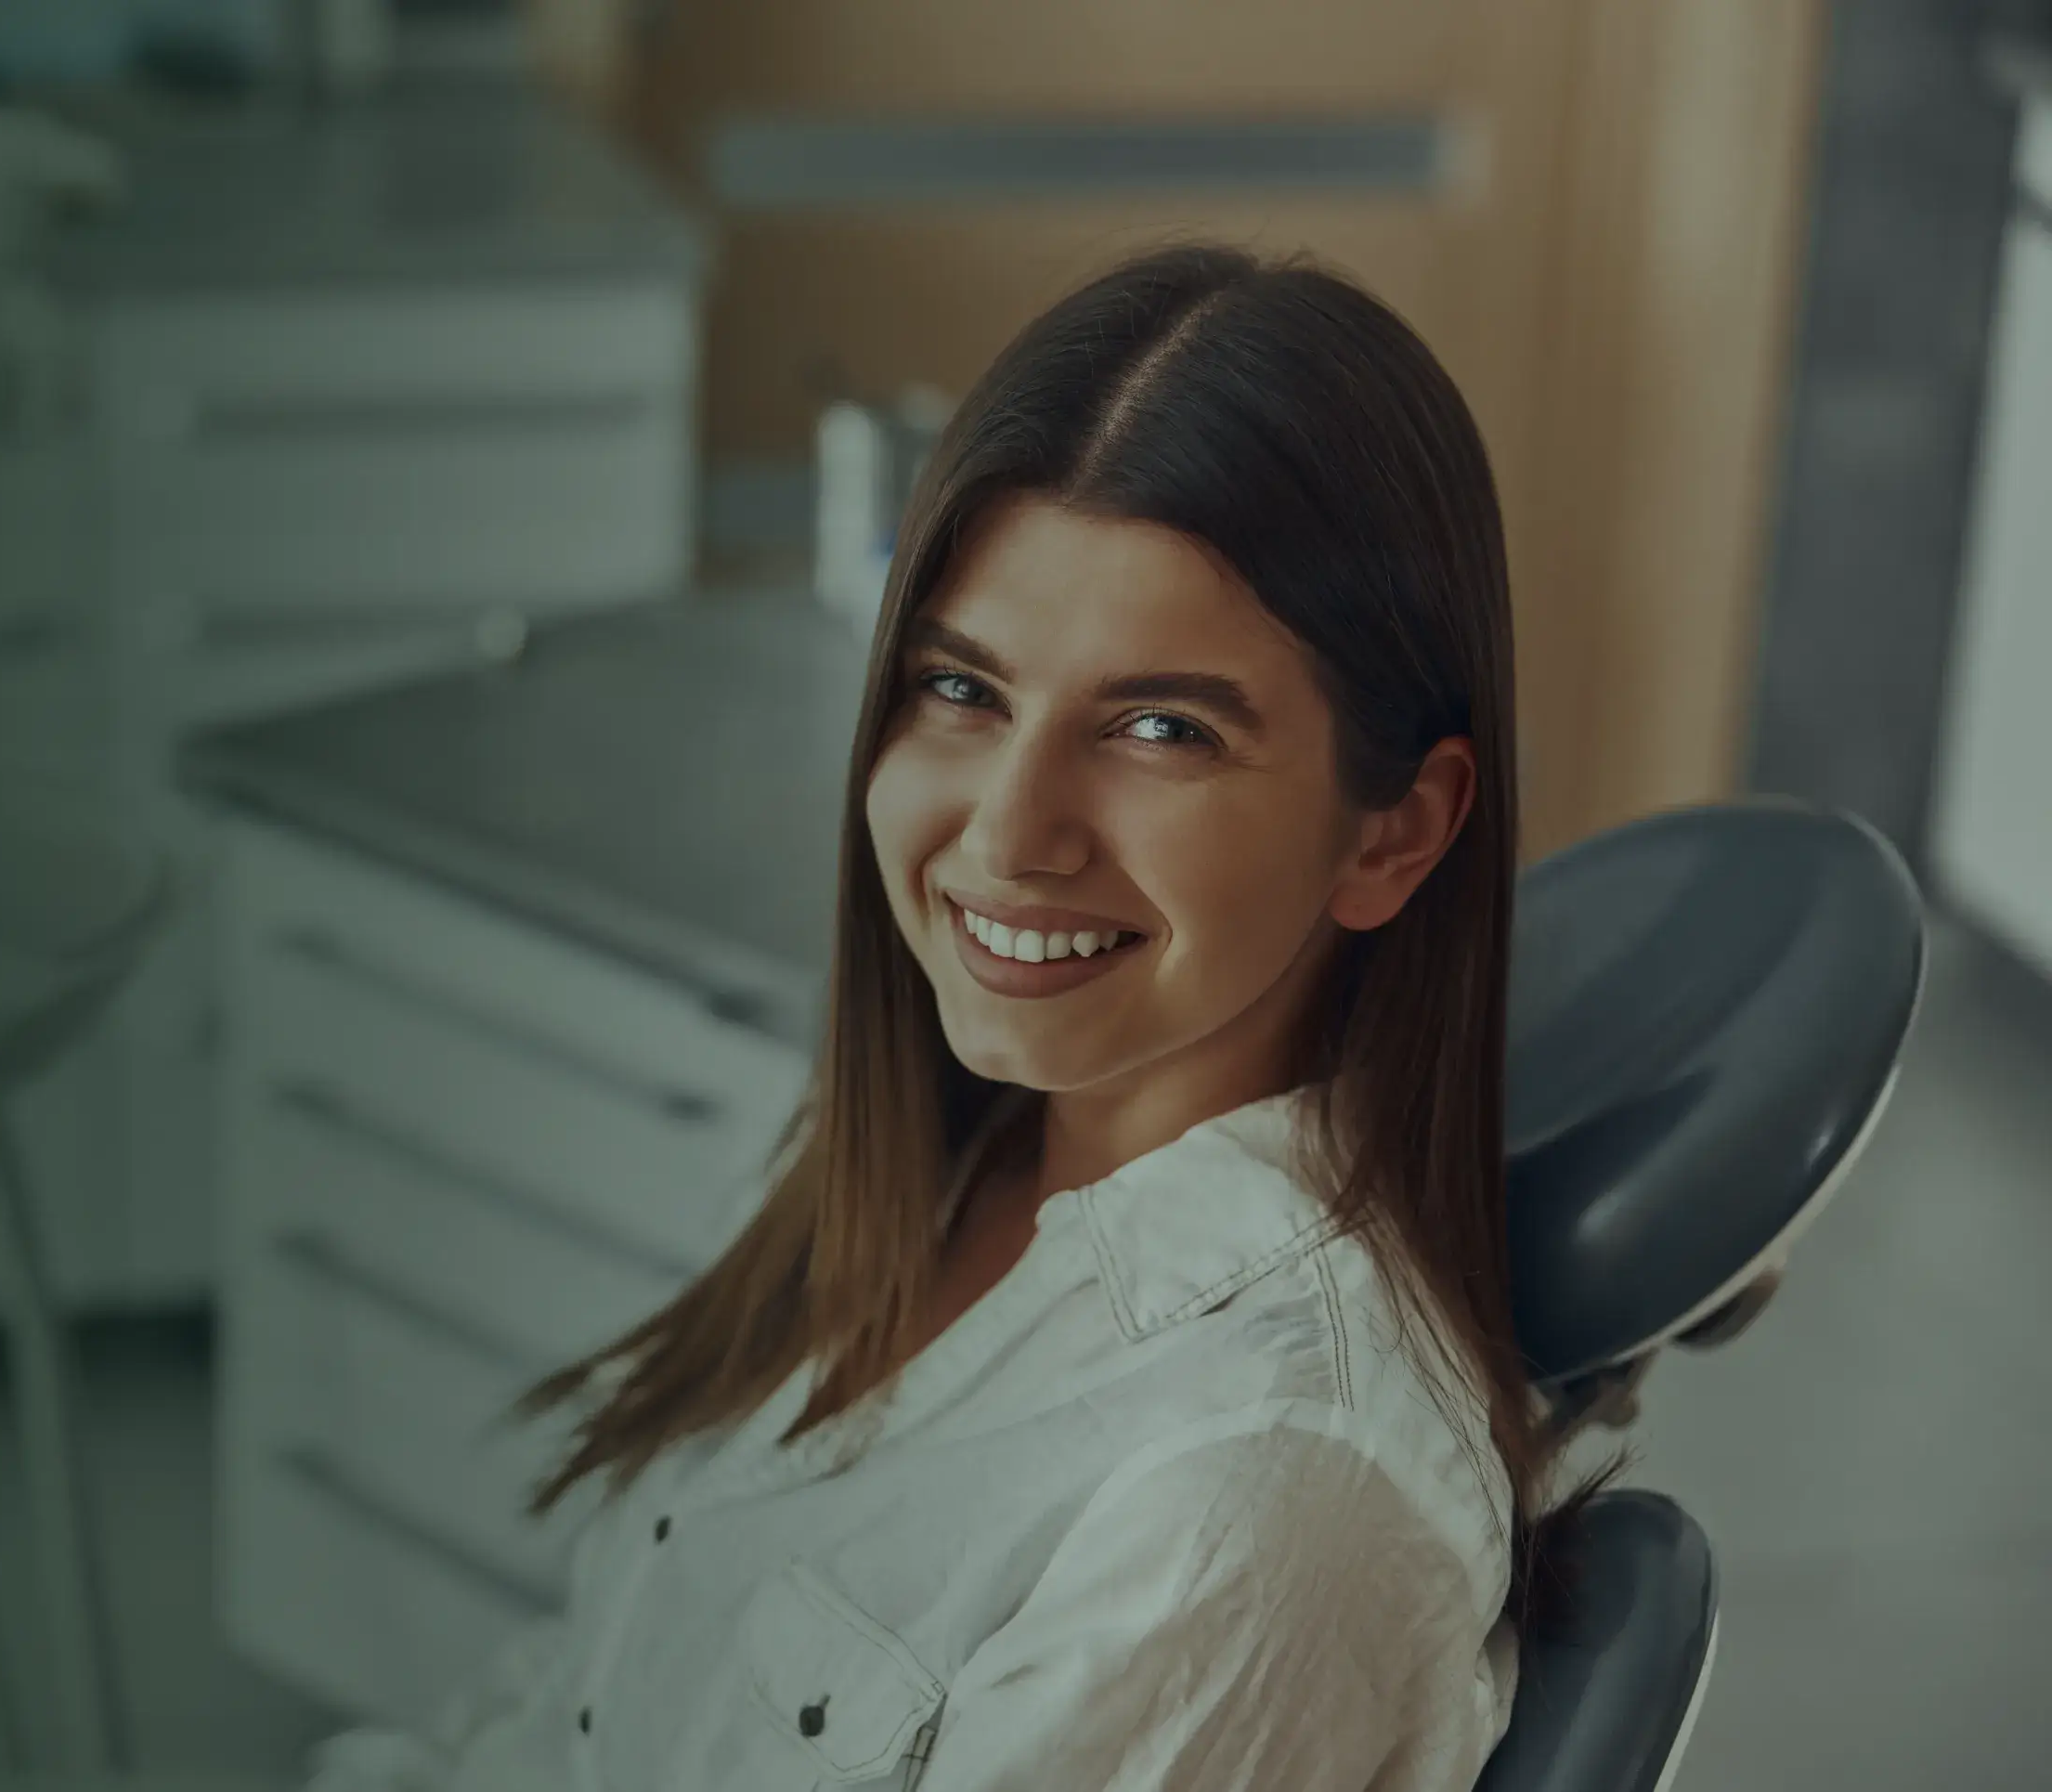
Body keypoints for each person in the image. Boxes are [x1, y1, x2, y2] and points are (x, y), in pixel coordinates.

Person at [305, 244, 1617, 1792]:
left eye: (1158, 727)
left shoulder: (1256, 1510)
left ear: (1393, 830)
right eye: (964, 690)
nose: (1009, 836)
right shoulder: (931, 1159)